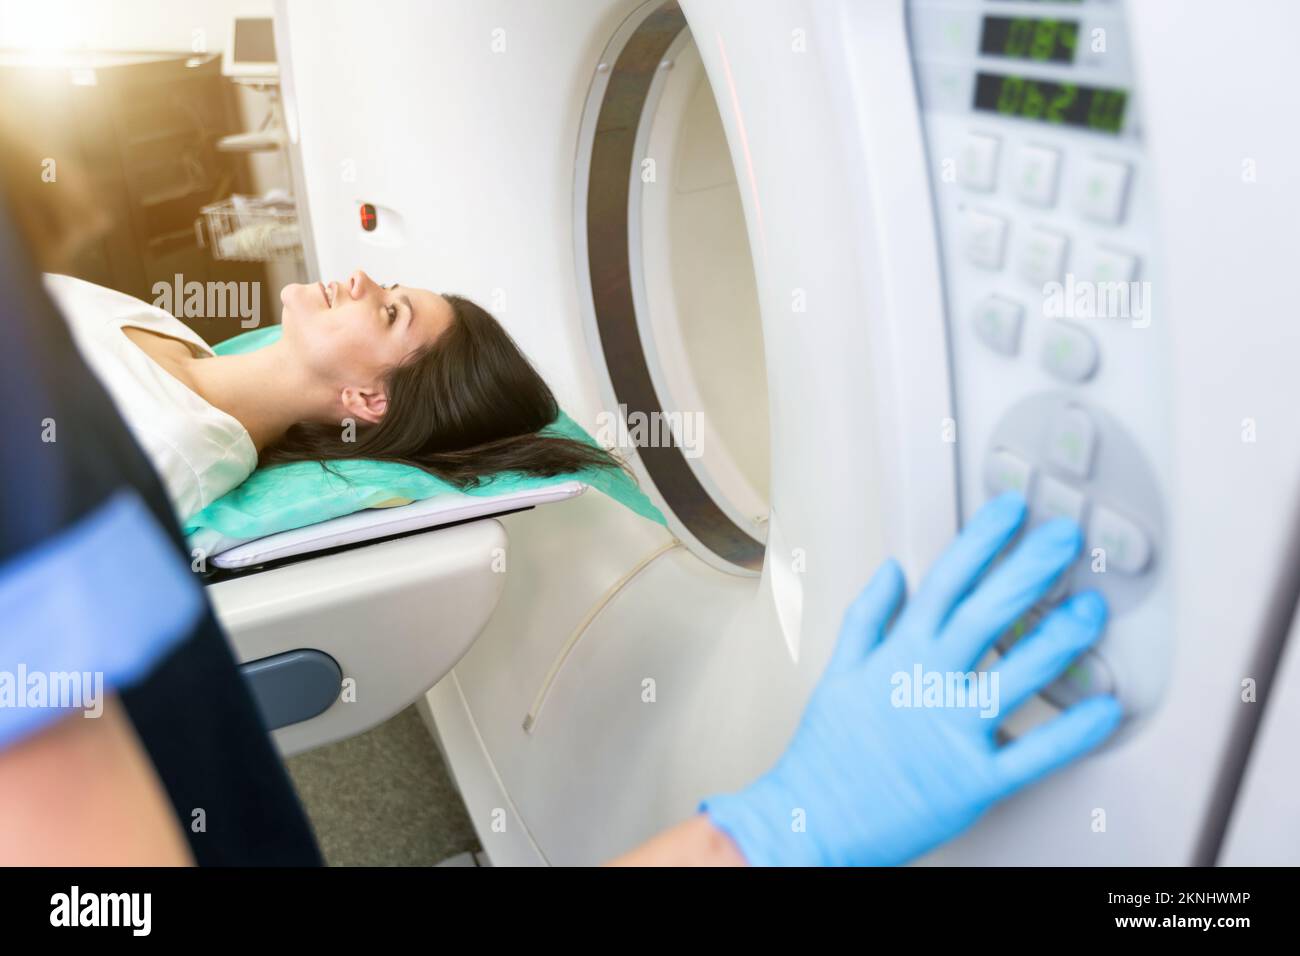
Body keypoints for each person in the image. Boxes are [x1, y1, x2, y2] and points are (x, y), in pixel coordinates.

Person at [44, 270, 622, 526]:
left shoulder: (182, 447)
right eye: (389, 288)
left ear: (370, 400)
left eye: (390, 311)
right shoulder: (168, 329)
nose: (361, 279)